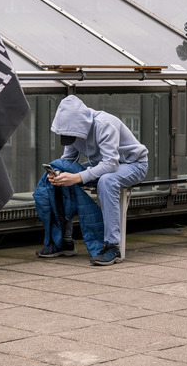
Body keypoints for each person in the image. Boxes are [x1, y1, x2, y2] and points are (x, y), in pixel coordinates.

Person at [44, 95, 148, 265]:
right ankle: (64, 241)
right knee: (62, 177)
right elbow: (68, 160)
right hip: (102, 164)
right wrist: (58, 173)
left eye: (74, 136)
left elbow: (111, 163)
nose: (73, 140)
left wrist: (77, 177)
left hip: (133, 164)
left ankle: (112, 246)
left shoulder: (104, 124)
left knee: (107, 181)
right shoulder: (71, 131)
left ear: (81, 126)